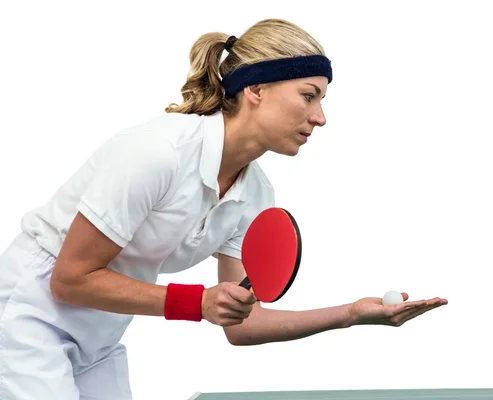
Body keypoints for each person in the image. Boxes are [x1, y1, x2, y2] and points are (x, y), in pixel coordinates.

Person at [0, 18, 447, 400]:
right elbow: (70, 279)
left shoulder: (255, 194)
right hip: (28, 315)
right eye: (309, 95)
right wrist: (197, 302)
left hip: (100, 335)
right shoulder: (155, 153)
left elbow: (241, 325)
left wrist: (349, 315)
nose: (320, 117)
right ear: (255, 88)